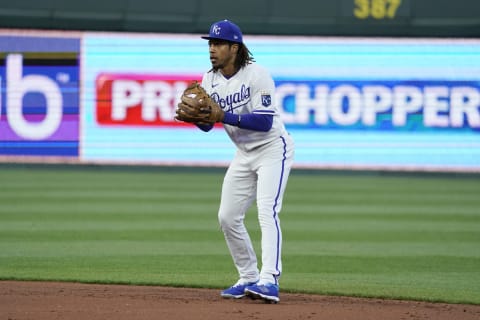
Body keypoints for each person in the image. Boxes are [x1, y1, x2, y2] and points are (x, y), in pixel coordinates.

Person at [183, 19, 295, 303]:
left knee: (267, 210)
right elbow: (210, 124)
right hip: (244, 154)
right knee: (227, 216)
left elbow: (264, 121)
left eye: (218, 44)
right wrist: (197, 118)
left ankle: (269, 280)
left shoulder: (257, 75)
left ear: (234, 48)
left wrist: (223, 116)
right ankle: (248, 276)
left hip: (272, 148)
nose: (212, 49)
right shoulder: (209, 79)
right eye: (210, 43)